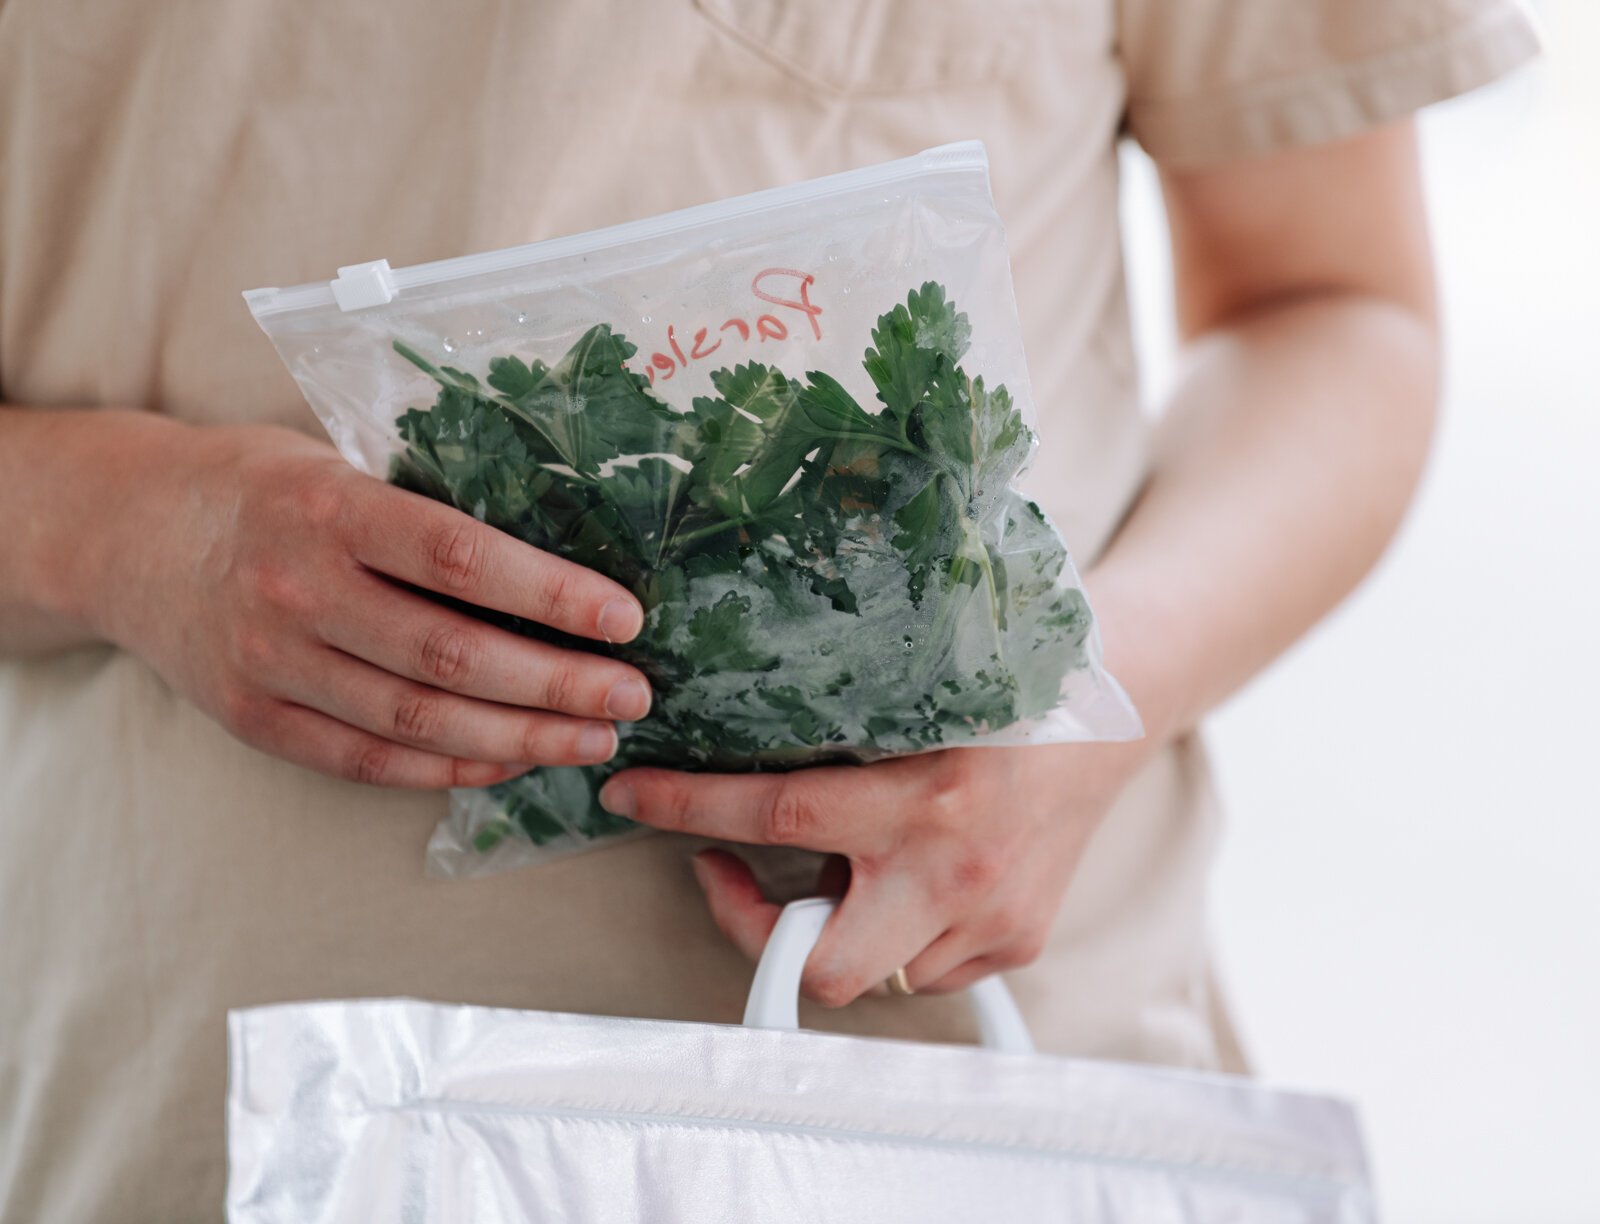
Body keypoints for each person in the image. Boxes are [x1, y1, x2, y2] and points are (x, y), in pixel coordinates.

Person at [0, 0, 1538, 1218]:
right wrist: (123, 528)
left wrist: (1089, 698)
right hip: (196, 1115)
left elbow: (1333, 307)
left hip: (970, 1105)